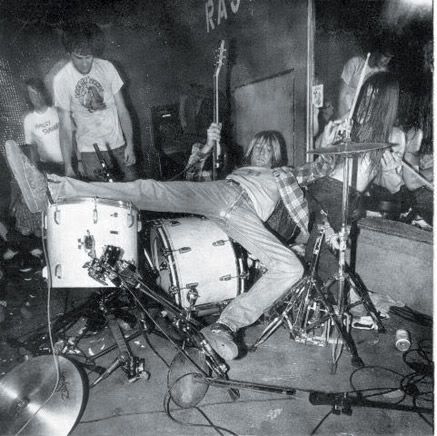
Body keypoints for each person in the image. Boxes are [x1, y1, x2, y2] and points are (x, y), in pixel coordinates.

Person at [5, 123, 337, 361]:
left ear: (277, 154)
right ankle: (54, 188)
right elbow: (191, 176)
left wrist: (330, 139)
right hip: (222, 194)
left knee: (291, 267)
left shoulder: (285, 174)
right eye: (259, 146)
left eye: (269, 147)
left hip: (244, 215)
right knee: (149, 189)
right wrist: (206, 148)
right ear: (251, 150)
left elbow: (319, 167)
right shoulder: (236, 170)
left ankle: (225, 326)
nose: (263, 150)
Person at [306, 72, 401, 279]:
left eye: (374, 98)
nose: (366, 102)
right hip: (323, 187)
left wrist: (391, 170)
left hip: (342, 196)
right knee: (314, 256)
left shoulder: (394, 136)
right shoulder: (351, 124)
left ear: (386, 104)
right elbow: (320, 152)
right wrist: (326, 142)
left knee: (323, 261)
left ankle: (334, 297)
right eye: (365, 95)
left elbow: (393, 186)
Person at [53, 22, 137, 181]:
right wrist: (68, 166)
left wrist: (130, 145)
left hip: (118, 145)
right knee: (103, 195)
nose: (85, 63)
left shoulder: (107, 67)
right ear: (69, 54)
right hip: (90, 151)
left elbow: (122, 110)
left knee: (134, 191)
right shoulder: (61, 79)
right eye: (79, 58)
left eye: (89, 57)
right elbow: (65, 127)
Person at [338, 43, 394, 118]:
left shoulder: (382, 73)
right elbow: (341, 97)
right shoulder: (355, 63)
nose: (387, 61)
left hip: (363, 117)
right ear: (377, 52)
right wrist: (343, 120)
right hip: (345, 113)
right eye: (385, 56)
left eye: (390, 58)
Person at [24, 78, 64, 175]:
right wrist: (36, 170)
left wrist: (79, 162)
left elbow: (72, 138)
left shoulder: (57, 112)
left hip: (70, 164)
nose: (36, 97)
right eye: (31, 94)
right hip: (50, 168)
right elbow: (32, 148)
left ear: (43, 93)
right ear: (28, 97)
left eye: (37, 92)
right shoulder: (28, 120)